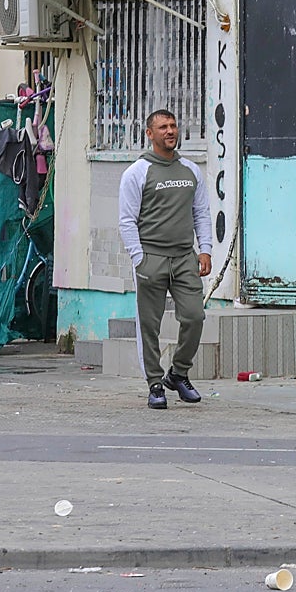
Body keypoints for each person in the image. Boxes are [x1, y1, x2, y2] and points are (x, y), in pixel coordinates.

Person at [118, 109, 213, 410]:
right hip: (152, 257)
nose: (170, 131)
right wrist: (138, 258)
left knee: (194, 316)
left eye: (173, 126)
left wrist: (206, 249)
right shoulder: (137, 172)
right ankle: (155, 384)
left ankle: (179, 373)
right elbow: (126, 220)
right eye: (162, 127)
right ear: (150, 133)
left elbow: (201, 212)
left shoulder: (190, 170)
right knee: (149, 325)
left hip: (185, 257)